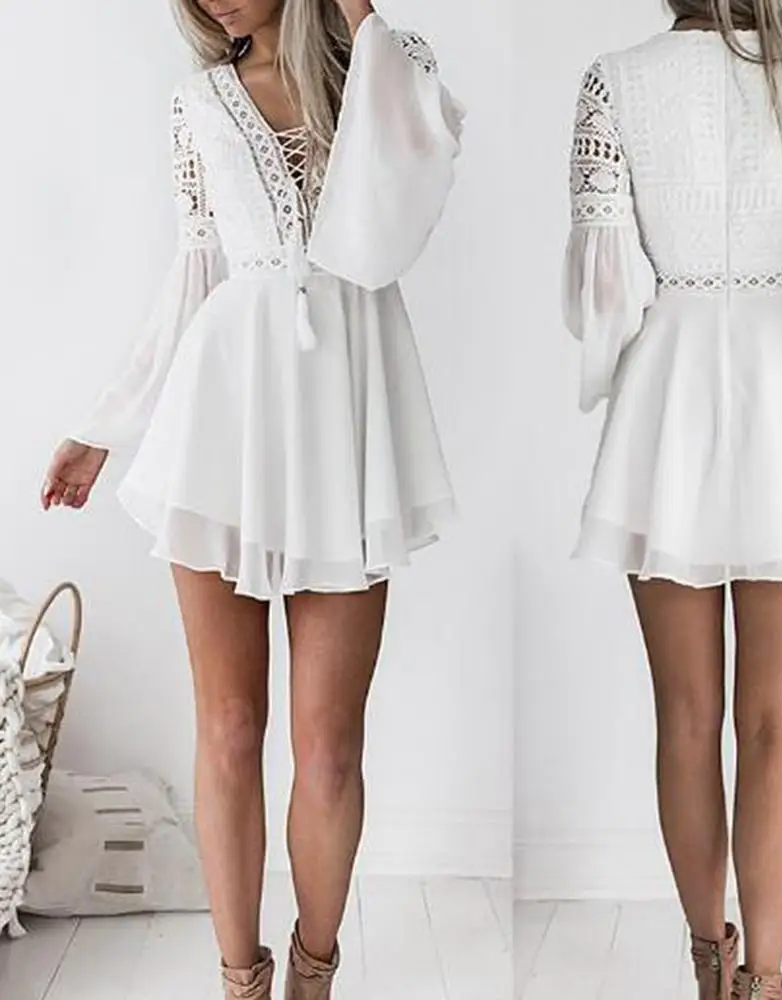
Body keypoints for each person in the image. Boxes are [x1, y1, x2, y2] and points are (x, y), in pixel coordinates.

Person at [39, 2, 464, 998]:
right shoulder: (197, 103)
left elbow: (427, 152)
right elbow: (193, 273)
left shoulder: (379, 75)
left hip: (349, 418)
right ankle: (240, 979)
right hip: (222, 423)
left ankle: (314, 970)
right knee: (229, 728)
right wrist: (104, 426)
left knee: (330, 744)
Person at [562, 1, 782, 997]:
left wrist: (620, 379)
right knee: (775, 723)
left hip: (662, 403)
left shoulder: (612, 79)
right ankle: (765, 979)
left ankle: (708, 962)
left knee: (683, 716)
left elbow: (605, 290)